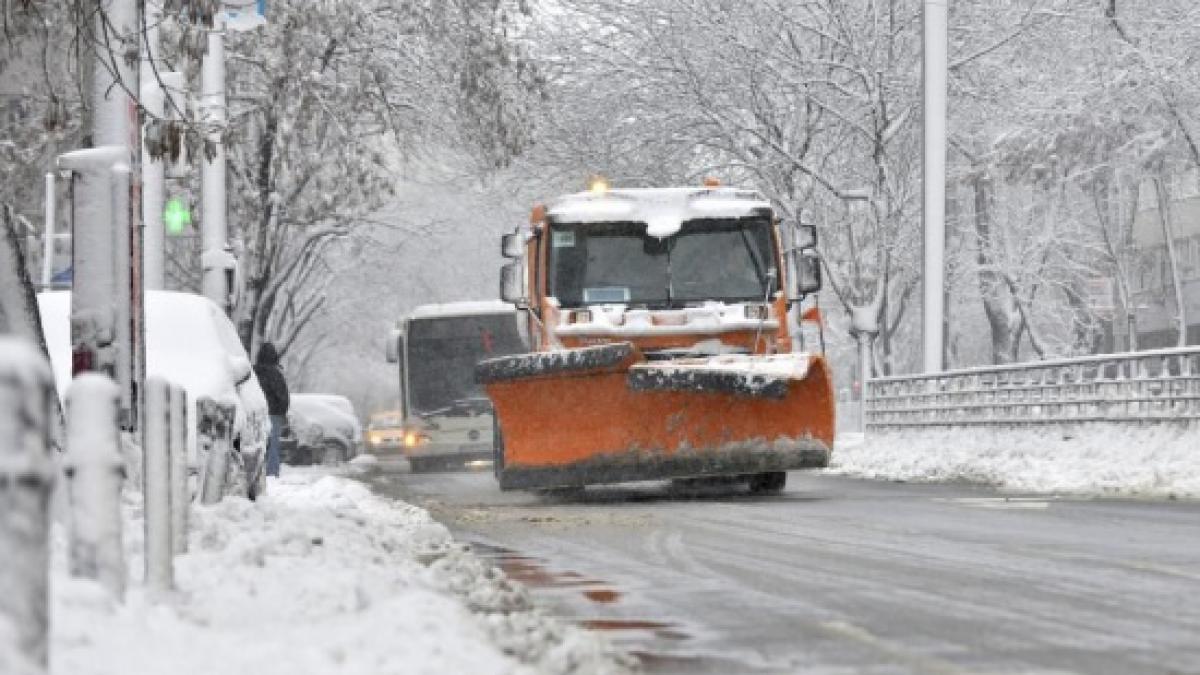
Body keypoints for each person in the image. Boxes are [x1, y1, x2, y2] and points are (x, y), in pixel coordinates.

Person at [254, 342, 289, 478]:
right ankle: (272, 473)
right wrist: (282, 412)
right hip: (274, 414)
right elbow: (282, 396)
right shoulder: (275, 374)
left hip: (256, 412)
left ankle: (256, 472)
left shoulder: (254, 371)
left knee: (257, 444)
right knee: (273, 445)